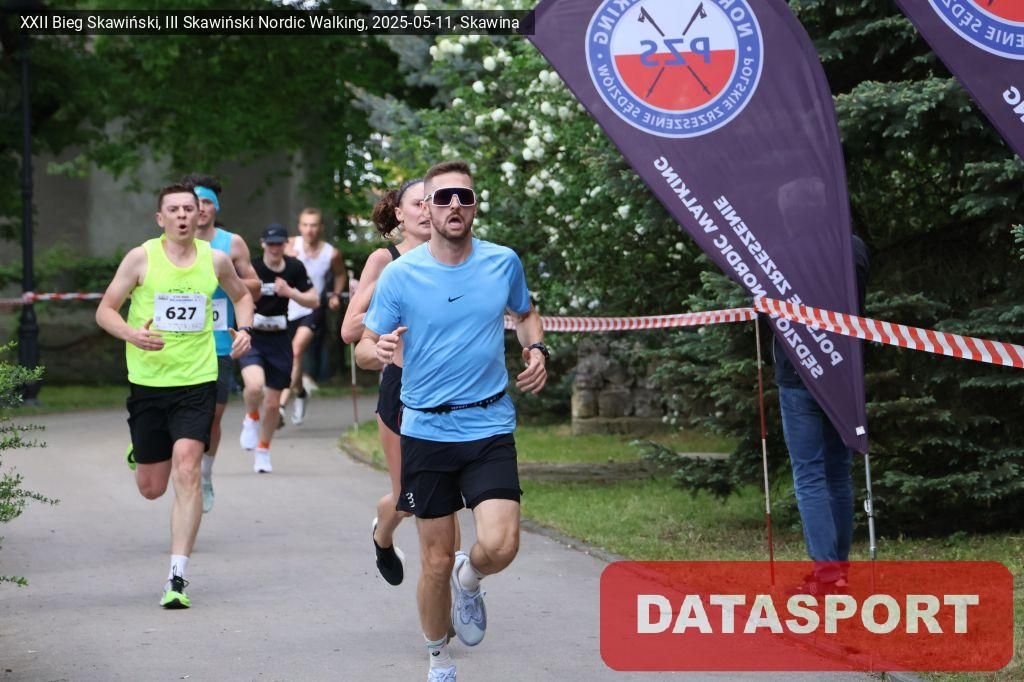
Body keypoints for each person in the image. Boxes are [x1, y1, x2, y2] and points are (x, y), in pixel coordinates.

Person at [358, 161, 548, 681]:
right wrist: (380, 350)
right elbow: (364, 348)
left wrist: (535, 348)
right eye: (443, 198)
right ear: (427, 208)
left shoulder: (502, 262)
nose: (454, 206)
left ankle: (472, 576)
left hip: (489, 424)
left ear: (475, 205)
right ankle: (438, 658)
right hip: (426, 430)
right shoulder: (400, 274)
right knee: (435, 561)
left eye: (464, 196)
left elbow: (526, 312)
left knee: (501, 545)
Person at [95, 184, 254, 608]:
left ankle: (177, 577)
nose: (183, 215)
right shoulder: (140, 258)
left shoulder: (215, 259)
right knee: (151, 488)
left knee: (188, 469)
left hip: (197, 379)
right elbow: (105, 310)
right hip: (148, 382)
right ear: (160, 218)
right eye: (174, 209)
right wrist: (131, 333)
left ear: (200, 215)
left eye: (189, 208)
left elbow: (242, 295)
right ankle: (143, 451)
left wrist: (245, 330)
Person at [341, 178, 447, 587]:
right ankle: (382, 536)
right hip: (403, 384)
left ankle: (450, 587)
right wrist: (390, 307)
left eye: (430, 203)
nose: (425, 210)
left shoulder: (456, 255)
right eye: (416, 204)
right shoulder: (386, 260)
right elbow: (349, 330)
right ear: (400, 213)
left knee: (443, 493)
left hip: (451, 386)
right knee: (408, 498)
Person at [774, 234, 869, 592]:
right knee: (838, 472)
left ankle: (827, 573)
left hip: (798, 372)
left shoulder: (783, 248)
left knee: (810, 473)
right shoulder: (854, 246)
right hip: (843, 371)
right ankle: (837, 571)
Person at [181, 173, 261, 514]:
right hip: (178, 342)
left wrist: (226, 278)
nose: (201, 208)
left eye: (207, 202)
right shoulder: (170, 243)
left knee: (212, 416)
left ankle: (205, 475)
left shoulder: (231, 244)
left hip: (217, 342)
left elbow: (255, 287)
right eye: (195, 202)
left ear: (216, 207)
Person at [238, 223, 319, 473]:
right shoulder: (252, 267)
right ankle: (251, 416)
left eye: (279, 243)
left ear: (285, 244)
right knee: (254, 386)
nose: (275, 248)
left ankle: (263, 449)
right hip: (253, 336)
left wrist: (290, 292)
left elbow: (314, 299)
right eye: (270, 243)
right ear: (263, 244)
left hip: (279, 339)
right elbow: (235, 293)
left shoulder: (294, 267)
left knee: (273, 404)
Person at [279, 208, 347, 426]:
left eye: (314, 225)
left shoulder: (331, 253)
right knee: (291, 358)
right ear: (300, 227)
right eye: (306, 225)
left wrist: (335, 295)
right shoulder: (289, 244)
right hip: (287, 307)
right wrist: (285, 256)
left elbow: (340, 274)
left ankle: (281, 406)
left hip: (313, 307)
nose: (310, 230)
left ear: (321, 227)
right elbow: (271, 263)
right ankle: (300, 392)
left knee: (296, 350)